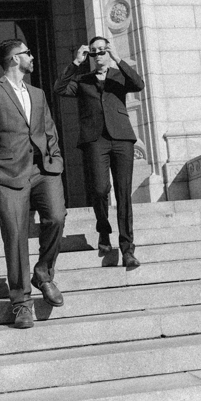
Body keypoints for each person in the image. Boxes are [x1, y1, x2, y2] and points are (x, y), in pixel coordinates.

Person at [0, 39, 66, 329]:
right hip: (8, 175)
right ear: (15, 59)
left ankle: (43, 273)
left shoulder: (38, 93)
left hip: (42, 170)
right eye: (27, 53)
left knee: (56, 217)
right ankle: (21, 303)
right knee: (15, 236)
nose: (32, 56)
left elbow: (49, 130)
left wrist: (55, 159)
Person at [54, 35, 144, 269]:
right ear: (90, 55)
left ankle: (127, 249)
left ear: (108, 52)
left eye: (102, 50)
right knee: (99, 188)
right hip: (95, 140)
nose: (99, 55)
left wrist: (118, 58)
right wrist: (76, 62)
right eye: (94, 51)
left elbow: (139, 84)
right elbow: (59, 88)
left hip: (121, 138)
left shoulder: (119, 76)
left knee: (123, 193)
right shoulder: (83, 80)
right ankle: (103, 230)